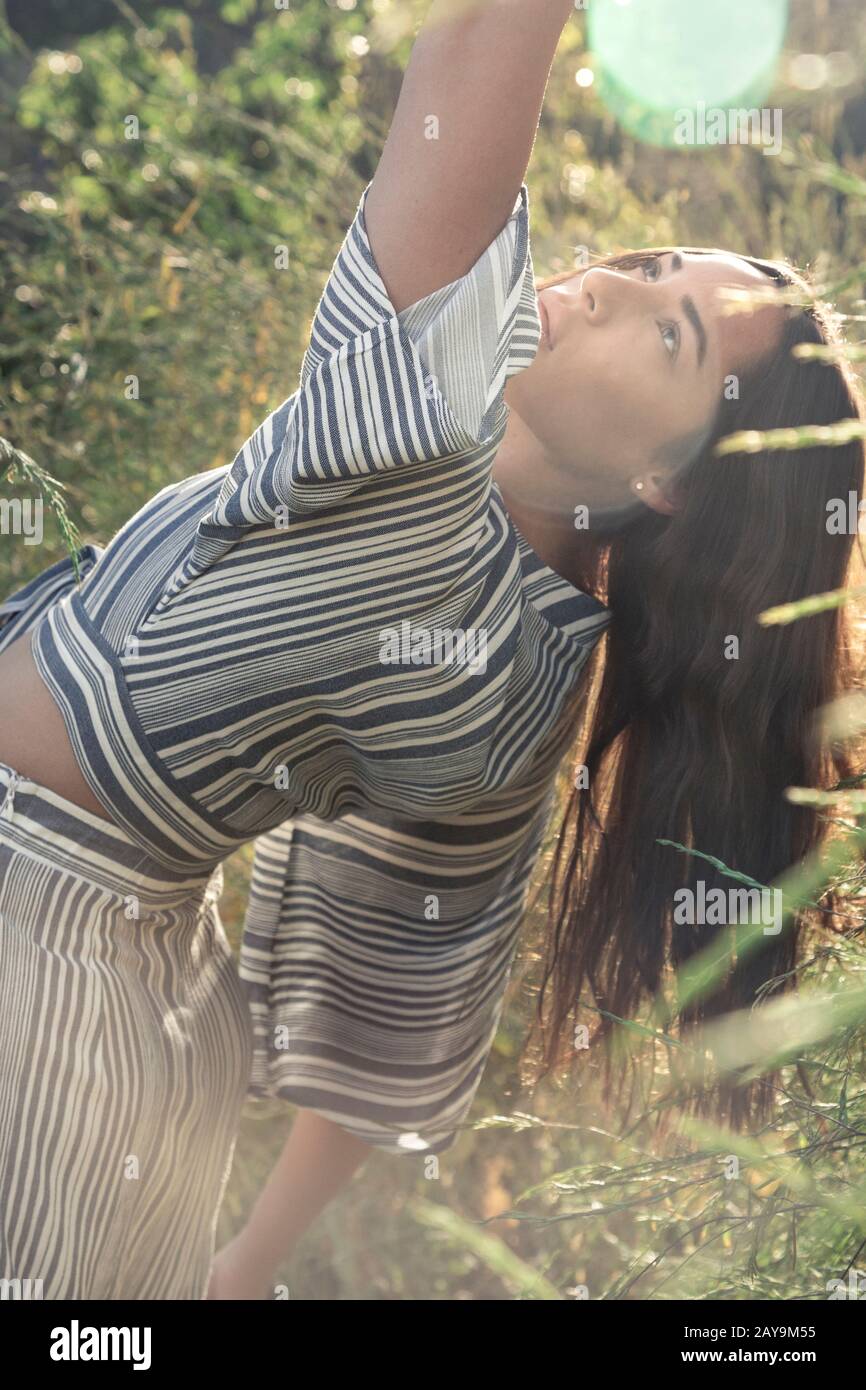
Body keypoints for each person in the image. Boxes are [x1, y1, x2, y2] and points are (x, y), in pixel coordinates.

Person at [0, 0, 862, 1300]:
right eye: (650, 262)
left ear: (668, 484)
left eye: (668, 333)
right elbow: (394, 1008)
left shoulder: (426, 491)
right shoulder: (537, 681)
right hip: (121, 1041)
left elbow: (473, 45)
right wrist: (238, 1265)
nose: (608, 284)